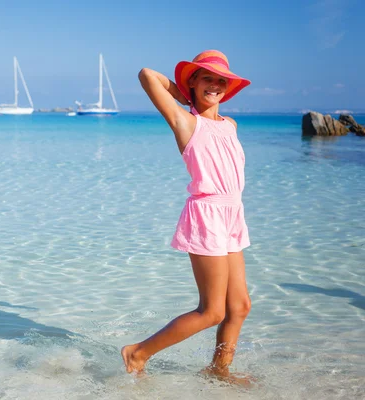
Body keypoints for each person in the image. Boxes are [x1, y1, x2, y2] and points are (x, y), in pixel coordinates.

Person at [121, 50, 252, 383]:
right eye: (207, 78)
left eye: (222, 81)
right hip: (207, 215)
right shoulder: (185, 121)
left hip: (232, 214)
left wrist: (197, 88)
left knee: (239, 307)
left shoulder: (231, 125)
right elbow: (147, 74)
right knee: (212, 311)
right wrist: (183, 91)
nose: (216, 85)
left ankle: (218, 371)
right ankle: (137, 352)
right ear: (193, 82)